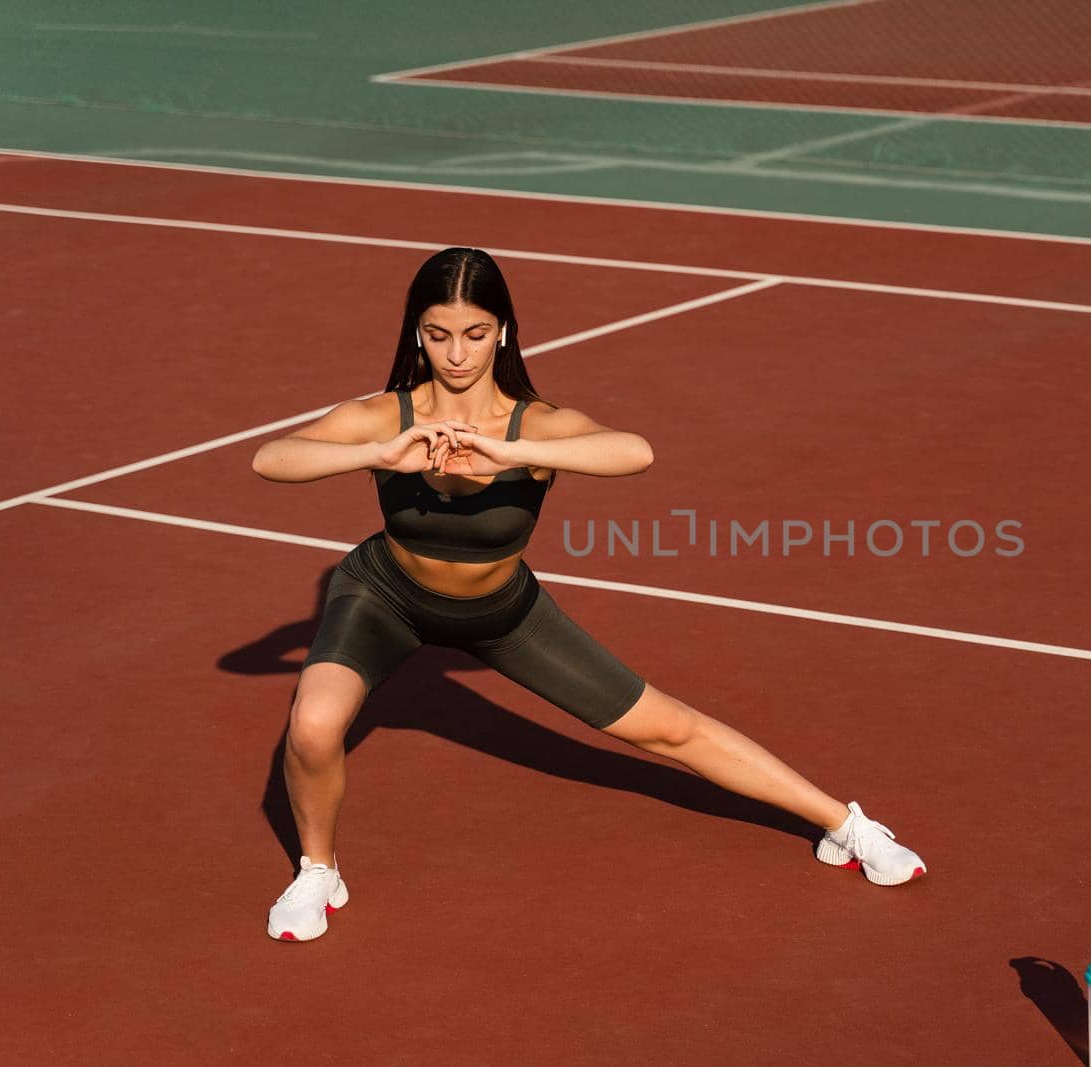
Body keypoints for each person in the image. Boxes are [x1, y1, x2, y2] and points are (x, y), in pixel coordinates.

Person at [251, 247, 926, 942]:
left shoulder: (535, 425)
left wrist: (509, 455)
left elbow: (634, 451)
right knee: (312, 725)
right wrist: (376, 454)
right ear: (415, 332)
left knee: (667, 727)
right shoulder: (386, 417)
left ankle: (846, 826)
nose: (457, 353)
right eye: (438, 333)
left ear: (505, 330)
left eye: (476, 333)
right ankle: (318, 869)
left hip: (500, 611)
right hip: (383, 596)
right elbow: (271, 458)